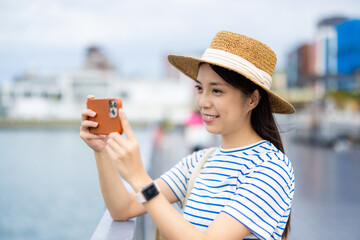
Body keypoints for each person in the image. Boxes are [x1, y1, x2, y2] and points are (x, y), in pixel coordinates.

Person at [80, 31, 295, 240]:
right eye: (200, 88)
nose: (203, 101)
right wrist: (101, 150)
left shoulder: (271, 168)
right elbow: (122, 208)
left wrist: (139, 178)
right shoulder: (199, 162)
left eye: (217, 90)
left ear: (252, 99)